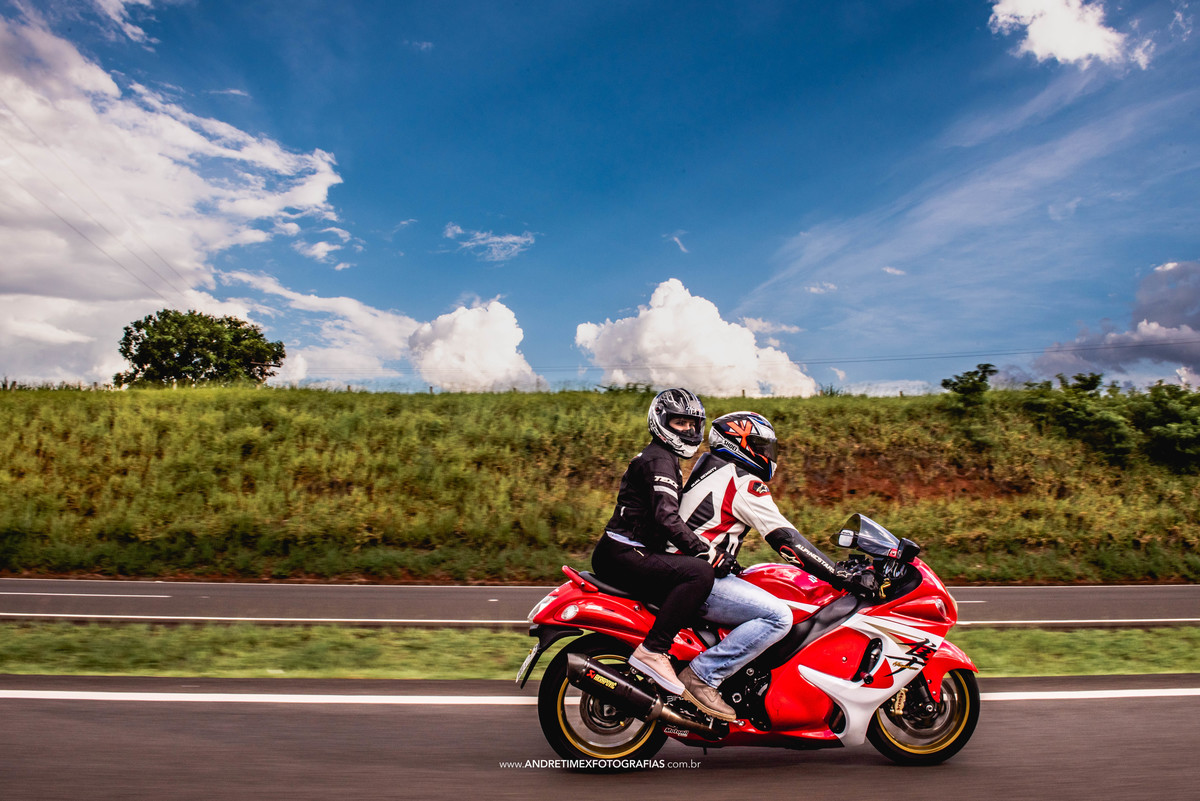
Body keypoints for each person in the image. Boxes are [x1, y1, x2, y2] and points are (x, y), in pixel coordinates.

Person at [670, 411, 879, 722]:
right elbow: (785, 539)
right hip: (696, 578)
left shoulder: (710, 468)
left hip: (683, 571)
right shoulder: (743, 481)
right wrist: (838, 574)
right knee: (778, 616)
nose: (768, 455)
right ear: (740, 443)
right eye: (762, 446)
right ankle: (702, 676)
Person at [591, 388, 716, 697]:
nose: (688, 430)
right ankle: (653, 650)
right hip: (623, 553)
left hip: (621, 549)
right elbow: (667, 517)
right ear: (661, 422)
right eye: (679, 423)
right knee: (700, 573)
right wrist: (705, 550)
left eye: (692, 424)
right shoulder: (659, 460)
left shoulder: (661, 457)